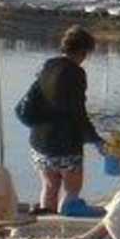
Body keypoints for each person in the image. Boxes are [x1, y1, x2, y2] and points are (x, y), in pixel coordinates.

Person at [28, 26, 103, 213]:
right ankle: (63, 224)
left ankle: (46, 222)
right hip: (65, 143)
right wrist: (96, 140)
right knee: (71, 191)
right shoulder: (76, 73)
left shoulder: (47, 66)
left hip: (40, 141)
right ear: (83, 51)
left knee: (49, 186)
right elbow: (78, 112)